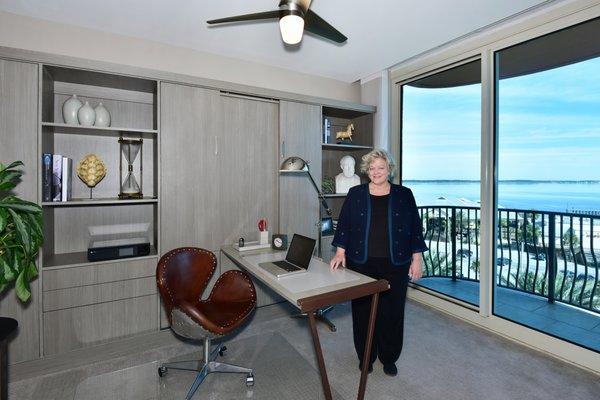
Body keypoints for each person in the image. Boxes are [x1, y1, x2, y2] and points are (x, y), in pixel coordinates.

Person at [330, 149, 427, 376]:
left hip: (396, 263)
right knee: (362, 312)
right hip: (361, 262)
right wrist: (339, 253)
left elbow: (415, 229)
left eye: (380, 168)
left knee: (392, 313)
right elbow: (344, 225)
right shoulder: (356, 193)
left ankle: (389, 357)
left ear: (389, 170)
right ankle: (366, 357)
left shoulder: (404, 194)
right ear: (367, 171)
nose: (376, 172)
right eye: (372, 168)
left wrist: (417, 260)